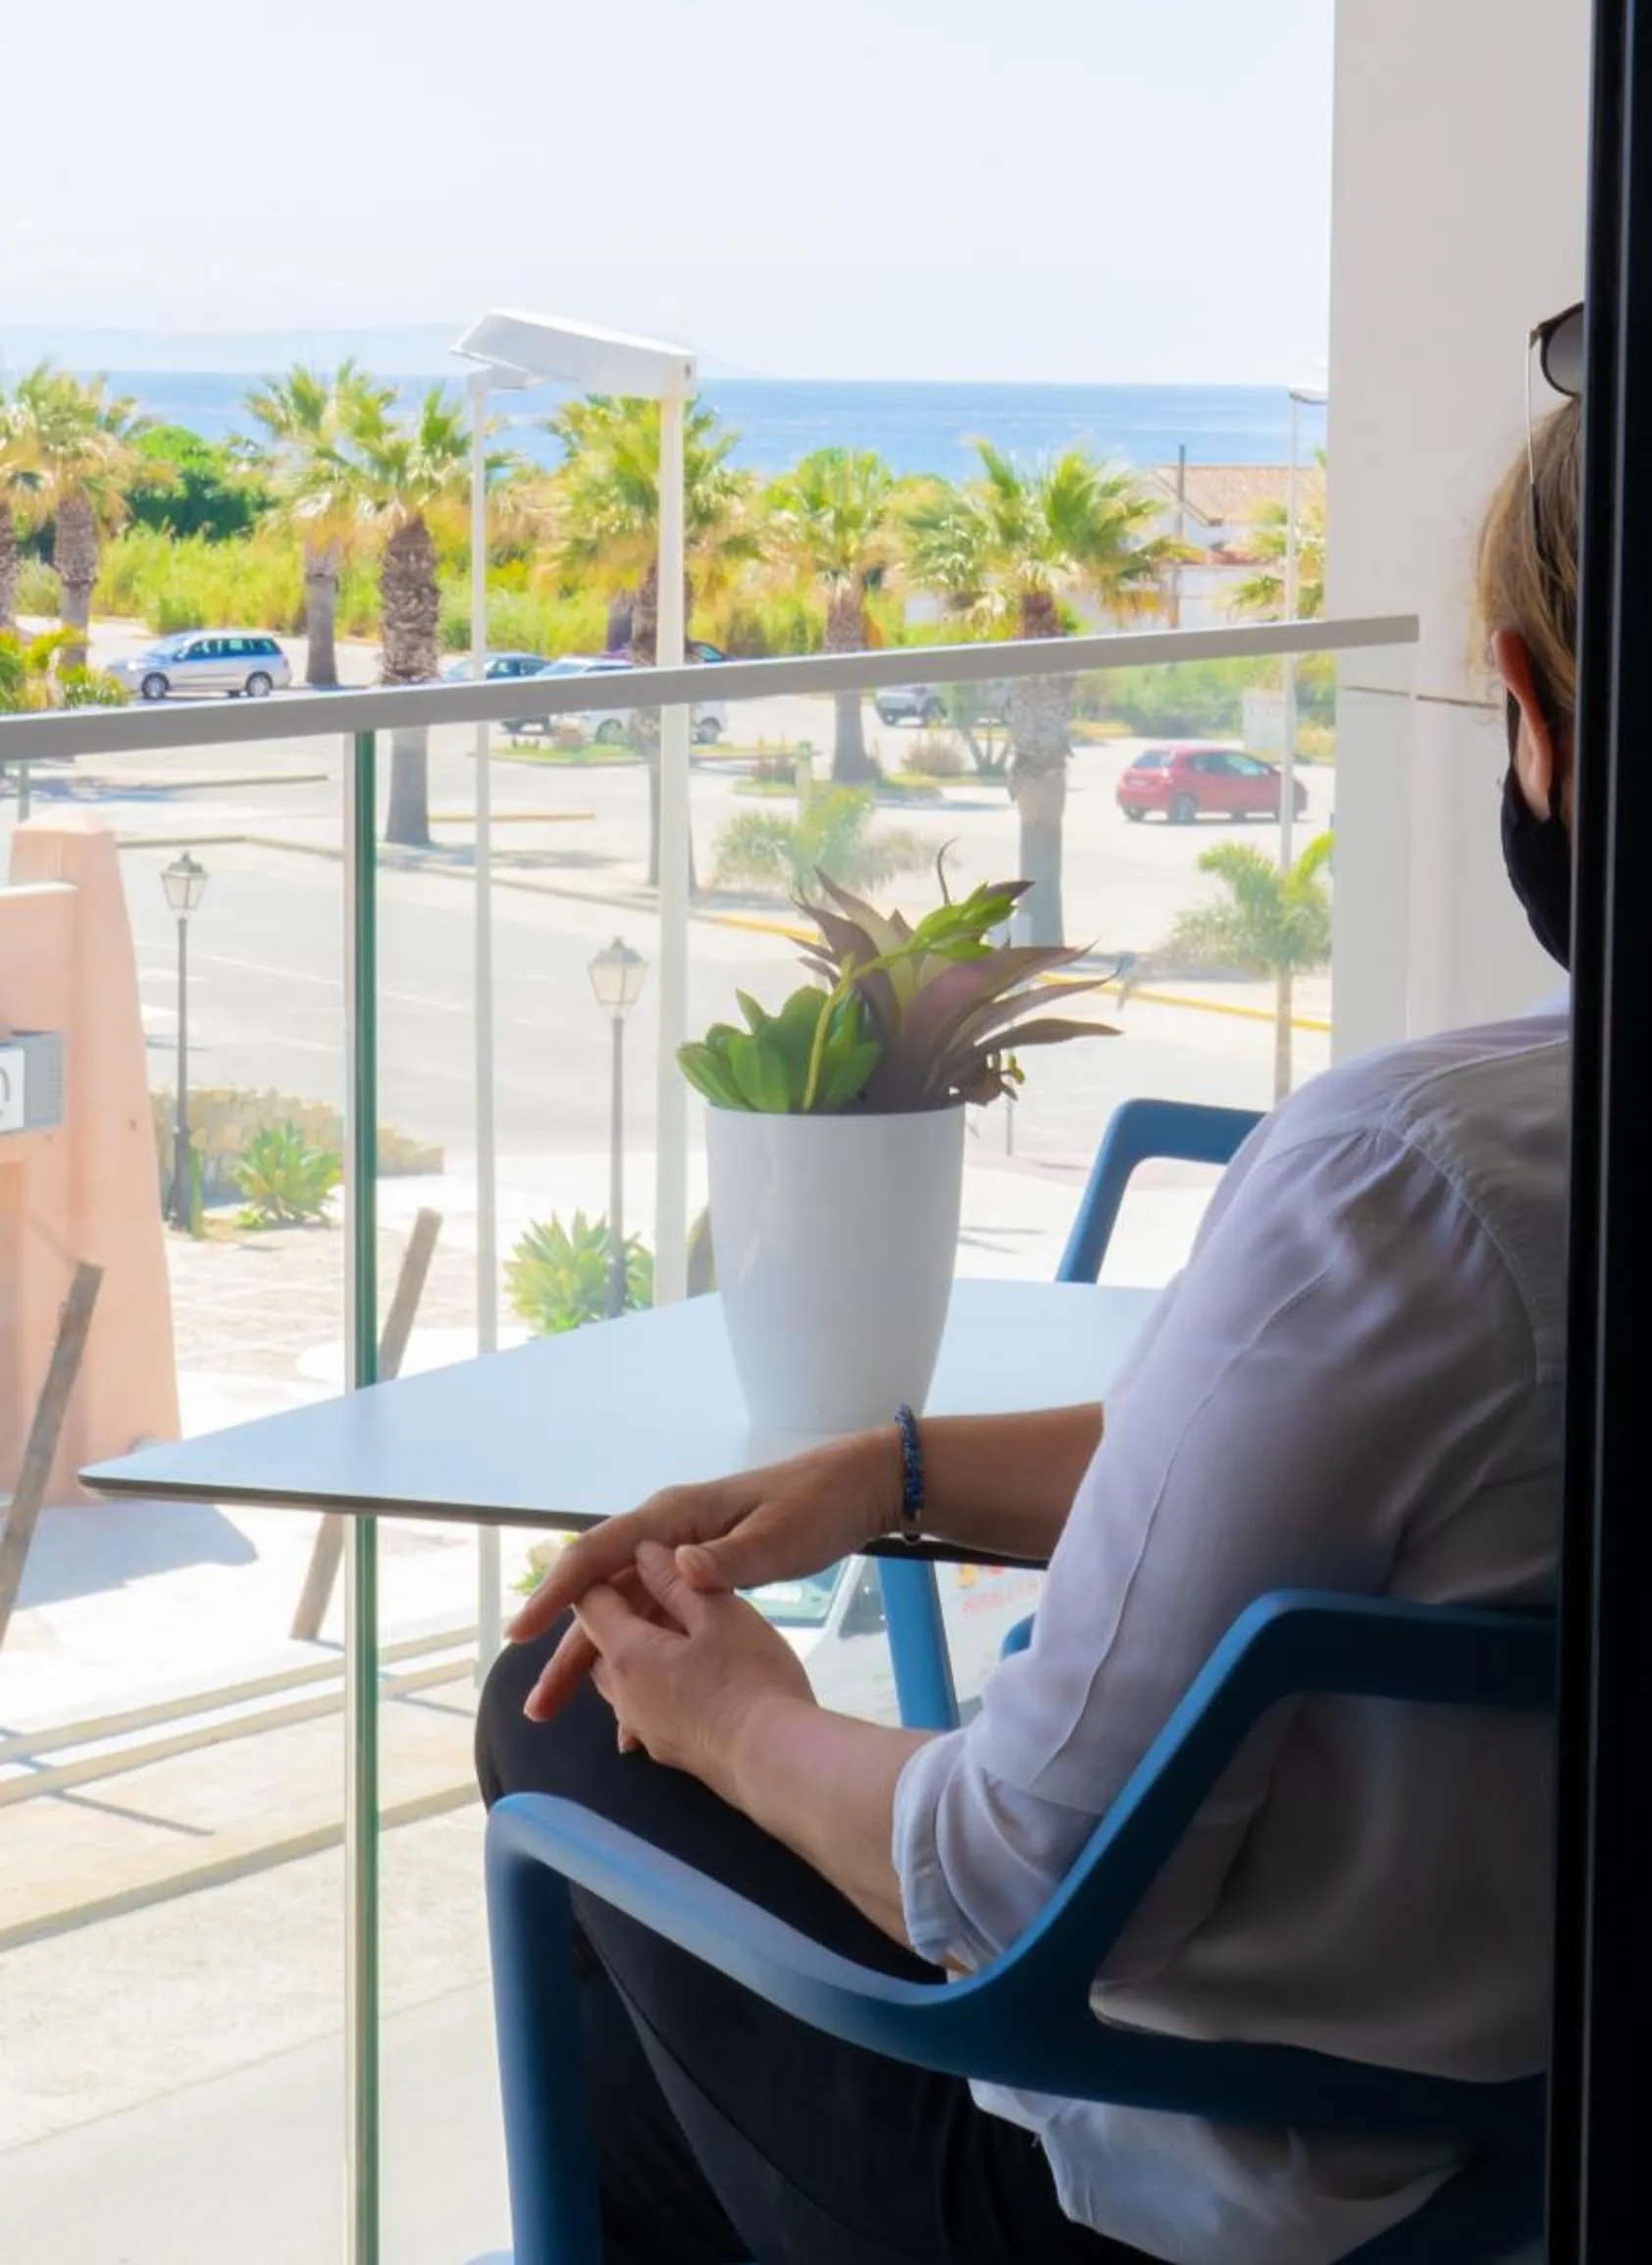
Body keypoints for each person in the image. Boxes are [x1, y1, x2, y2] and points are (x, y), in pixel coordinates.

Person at [477, 366, 1581, 2265]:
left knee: (560, 1717)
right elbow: (1298, 1476)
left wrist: (737, 1718)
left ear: (1530, 710)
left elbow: (1009, 1873)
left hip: (1174, 2201)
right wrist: (891, 1471)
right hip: (1522, 2162)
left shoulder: (1408, 1179)